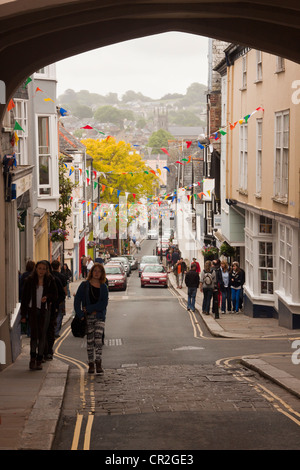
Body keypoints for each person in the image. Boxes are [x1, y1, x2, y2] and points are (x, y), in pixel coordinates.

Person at [20, 260, 58, 370]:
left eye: (44, 269)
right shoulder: (30, 281)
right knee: (34, 335)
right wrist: (23, 315)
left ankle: (39, 359)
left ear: (47, 270)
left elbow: (55, 295)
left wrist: (47, 297)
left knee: (42, 335)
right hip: (32, 310)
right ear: (36, 269)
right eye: (39, 268)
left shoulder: (50, 280)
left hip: (44, 311)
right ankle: (32, 359)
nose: (41, 271)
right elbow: (25, 298)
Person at [74, 263, 109, 374]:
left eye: (99, 271)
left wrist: (88, 308)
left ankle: (98, 363)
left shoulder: (104, 287)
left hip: (99, 317)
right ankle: (91, 364)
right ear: (91, 272)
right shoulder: (84, 285)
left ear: (102, 273)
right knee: (90, 341)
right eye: (95, 271)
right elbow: (77, 301)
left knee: (98, 340)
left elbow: (103, 304)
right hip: (87, 318)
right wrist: (80, 314)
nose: (97, 273)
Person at [51, 260, 67, 340]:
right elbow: (65, 289)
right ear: (59, 267)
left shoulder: (50, 275)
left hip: (51, 299)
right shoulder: (62, 277)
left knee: (53, 314)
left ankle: (52, 331)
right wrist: (65, 294)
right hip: (60, 299)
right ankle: (56, 332)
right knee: (60, 314)